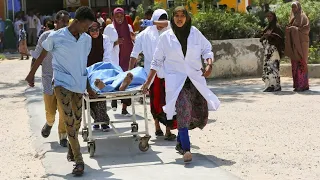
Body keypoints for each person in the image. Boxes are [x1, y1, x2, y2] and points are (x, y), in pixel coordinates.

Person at [141, 6, 220, 163]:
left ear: (187, 17)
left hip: (194, 80)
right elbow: (156, 62)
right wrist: (147, 82)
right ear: (172, 18)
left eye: (182, 15)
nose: (179, 18)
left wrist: (209, 64)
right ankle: (187, 148)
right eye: (176, 15)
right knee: (183, 111)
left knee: (197, 113)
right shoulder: (165, 38)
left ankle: (179, 141)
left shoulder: (195, 33)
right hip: (177, 82)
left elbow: (207, 49)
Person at [25, 6, 96, 176]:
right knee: (69, 121)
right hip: (62, 83)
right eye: (86, 26)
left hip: (78, 84)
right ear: (77, 21)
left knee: (77, 122)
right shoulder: (56, 36)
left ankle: (72, 150)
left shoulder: (86, 39)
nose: (88, 30)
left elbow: (82, 64)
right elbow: (43, 54)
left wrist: (88, 86)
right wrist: (31, 74)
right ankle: (79, 161)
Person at [129, 9, 176, 140]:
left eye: (163, 21)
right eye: (158, 22)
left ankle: (168, 130)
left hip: (170, 73)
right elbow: (134, 54)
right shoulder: (144, 35)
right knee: (155, 101)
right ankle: (157, 127)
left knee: (169, 101)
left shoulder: (171, 32)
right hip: (152, 74)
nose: (161, 25)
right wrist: (129, 72)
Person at [28, 10, 70, 148]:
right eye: (62, 21)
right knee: (50, 112)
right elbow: (36, 55)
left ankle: (63, 135)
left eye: (67, 21)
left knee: (64, 110)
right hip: (48, 78)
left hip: (64, 80)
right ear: (56, 22)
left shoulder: (71, 38)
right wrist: (31, 74)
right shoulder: (46, 36)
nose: (65, 24)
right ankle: (49, 123)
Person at [103, 7, 134, 115]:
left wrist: (134, 38)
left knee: (127, 81)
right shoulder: (109, 28)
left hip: (127, 58)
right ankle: (114, 99)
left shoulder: (129, 27)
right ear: (113, 17)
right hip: (115, 58)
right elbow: (105, 44)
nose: (119, 18)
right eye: (117, 16)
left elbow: (134, 41)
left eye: (121, 16)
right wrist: (115, 43)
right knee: (115, 80)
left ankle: (124, 107)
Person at [86, 21, 113, 131]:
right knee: (90, 97)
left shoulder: (105, 39)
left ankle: (103, 122)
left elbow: (107, 55)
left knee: (101, 95)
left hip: (101, 70)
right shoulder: (85, 40)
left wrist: (101, 70)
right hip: (88, 71)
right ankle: (97, 119)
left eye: (96, 29)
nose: (94, 32)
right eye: (92, 30)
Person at [284, 1, 310, 92]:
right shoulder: (292, 18)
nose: (293, 9)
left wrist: (294, 29)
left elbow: (306, 29)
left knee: (301, 63)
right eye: (292, 7)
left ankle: (303, 85)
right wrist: (289, 30)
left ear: (298, 7)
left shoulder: (303, 17)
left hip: (301, 45)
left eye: (295, 7)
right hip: (294, 45)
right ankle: (297, 84)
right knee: (295, 65)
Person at [260, 11, 284, 92]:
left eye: (270, 16)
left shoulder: (277, 27)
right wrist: (264, 36)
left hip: (275, 51)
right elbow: (261, 38)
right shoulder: (268, 27)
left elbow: (281, 38)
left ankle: (274, 85)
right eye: (268, 16)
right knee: (268, 67)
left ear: (274, 17)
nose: (269, 18)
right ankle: (270, 85)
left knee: (273, 68)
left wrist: (271, 36)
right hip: (268, 51)